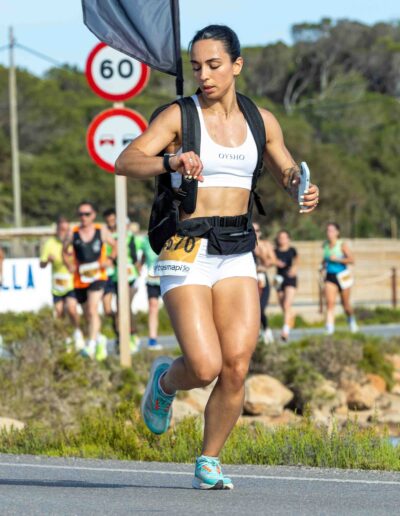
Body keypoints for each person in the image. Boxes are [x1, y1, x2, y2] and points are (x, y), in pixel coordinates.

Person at [115, 25, 319, 490]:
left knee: (236, 365)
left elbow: (285, 168)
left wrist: (301, 187)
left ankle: (208, 461)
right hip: (186, 245)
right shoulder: (179, 116)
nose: (204, 76)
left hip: (236, 247)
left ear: (236, 65)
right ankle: (165, 382)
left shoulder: (261, 120)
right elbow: (125, 161)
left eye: (213, 65)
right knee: (204, 366)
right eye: (196, 67)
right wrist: (171, 161)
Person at [63, 201, 116, 360]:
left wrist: (110, 259)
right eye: (81, 214)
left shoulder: (101, 230)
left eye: (87, 214)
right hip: (80, 278)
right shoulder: (73, 232)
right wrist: (68, 264)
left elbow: (115, 245)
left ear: (93, 215)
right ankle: (99, 338)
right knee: (87, 314)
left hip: (98, 276)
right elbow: (64, 250)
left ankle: (91, 345)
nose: (84, 217)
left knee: (93, 309)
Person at [40, 216, 83, 349]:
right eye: (61, 229)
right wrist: (47, 260)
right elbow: (41, 264)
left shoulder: (74, 243)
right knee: (58, 312)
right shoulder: (50, 243)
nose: (63, 232)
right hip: (57, 285)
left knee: (71, 308)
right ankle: (65, 338)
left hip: (71, 283)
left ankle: (77, 331)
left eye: (65, 229)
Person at [102, 208, 141, 353]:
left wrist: (138, 270)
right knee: (110, 309)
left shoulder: (129, 236)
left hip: (129, 277)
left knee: (124, 306)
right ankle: (120, 334)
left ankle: (131, 336)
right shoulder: (107, 236)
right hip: (113, 276)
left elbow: (134, 256)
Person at [322, 222, 358, 334]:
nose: (329, 233)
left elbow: (351, 260)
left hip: (343, 276)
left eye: (332, 230)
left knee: (345, 304)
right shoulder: (325, 245)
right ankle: (329, 328)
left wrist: (337, 259)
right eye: (328, 230)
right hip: (330, 276)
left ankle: (351, 320)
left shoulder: (342, 245)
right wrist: (322, 266)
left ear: (337, 232)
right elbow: (325, 259)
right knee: (330, 303)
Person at [137, 234, 163, 350]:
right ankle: (152, 339)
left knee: (174, 309)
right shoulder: (146, 241)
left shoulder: (169, 234)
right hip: (152, 280)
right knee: (153, 307)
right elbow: (143, 256)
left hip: (168, 278)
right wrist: (139, 266)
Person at [253, 222, 276, 344]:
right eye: (251, 230)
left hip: (261, 278)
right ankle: (255, 334)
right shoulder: (243, 245)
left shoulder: (264, 245)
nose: (254, 233)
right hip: (249, 280)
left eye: (256, 230)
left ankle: (266, 330)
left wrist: (261, 254)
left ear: (260, 232)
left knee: (260, 307)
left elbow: (271, 261)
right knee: (252, 308)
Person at [274, 230, 298, 341]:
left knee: (287, 304)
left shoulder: (292, 250)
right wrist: (275, 262)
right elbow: (269, 260)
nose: (282, 240)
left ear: (288, 239)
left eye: (284, 237)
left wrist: (294, 268)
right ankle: (291, 315)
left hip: (290, 278)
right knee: (283, 306)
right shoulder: (275, 251)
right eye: (280, 237)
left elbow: (297, 261)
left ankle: (285, 331)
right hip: (278, 279)